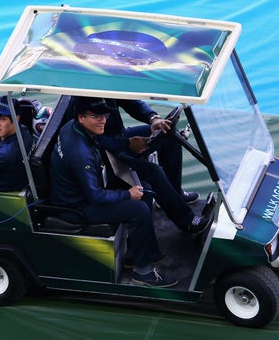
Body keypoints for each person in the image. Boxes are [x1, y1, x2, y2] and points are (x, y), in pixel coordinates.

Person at [49, 97, 182, 288]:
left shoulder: (72, 126)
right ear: (81, 117)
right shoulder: (81, 153)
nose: (102, 120)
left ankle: (135, 255)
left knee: (145, 190)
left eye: (104, 115)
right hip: (77, 207)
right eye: (96, 116)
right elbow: (95, 196)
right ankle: (142, 272)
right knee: (138, 209)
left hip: (80, 192)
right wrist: (127, 194)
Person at [98, 98, 199, 204]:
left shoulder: (109, 86)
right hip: (103, 147)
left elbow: (131, 102)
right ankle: (177, 208)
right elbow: (88, 138)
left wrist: (153, 118)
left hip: (120, 135)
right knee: (153, 172)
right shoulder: (81, 97)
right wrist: (127, 143)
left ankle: (175, 193)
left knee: (169, 135)